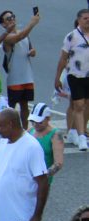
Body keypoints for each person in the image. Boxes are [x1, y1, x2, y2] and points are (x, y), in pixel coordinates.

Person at [56, 9, 89, 152]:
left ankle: (75, 132)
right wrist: (57, 78)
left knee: (87, 104)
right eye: (85, 18)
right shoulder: (71, 37)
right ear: (79, 20)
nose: (88, 20)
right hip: (75, 75)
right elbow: (63, 58)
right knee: (79, 104)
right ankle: (82, 137)